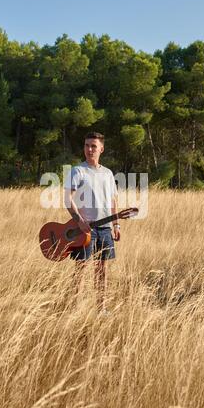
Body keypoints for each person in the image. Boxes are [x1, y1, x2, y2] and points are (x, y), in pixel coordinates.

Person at [64, 132, 120, 314]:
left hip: (105, 229)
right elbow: (67, 199)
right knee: (80, 268)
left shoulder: (108, 174)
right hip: (85, 230)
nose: (89, 149)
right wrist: (79, 222)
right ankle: (72, 309)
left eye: (93, 146)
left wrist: (116, 225)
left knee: (102, 270)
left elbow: (113, 202)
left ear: (101, 149)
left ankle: (101, 309)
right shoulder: (77, 171)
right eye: (87, 145)